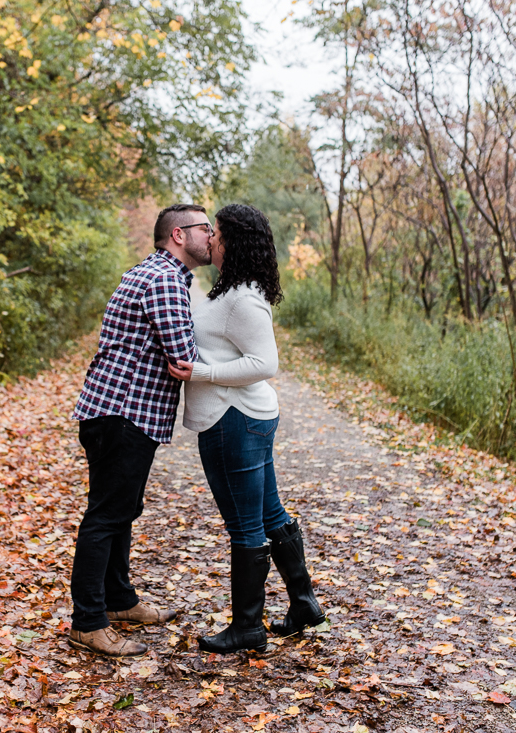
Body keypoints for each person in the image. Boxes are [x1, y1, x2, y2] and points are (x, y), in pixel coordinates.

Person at [168, 203, 326, 654]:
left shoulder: (243, 299)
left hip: (233, 420)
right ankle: (303, 605)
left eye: (216, 232)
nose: (211, 239)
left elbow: (265, 363)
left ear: (233, 241)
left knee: (244, 525)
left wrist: (199, 373)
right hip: (243, 418)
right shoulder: (229, 290)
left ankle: (247, 627)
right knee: (269, 514)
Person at [68, 203, 214, 657]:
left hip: (114, 411)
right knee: (106, 515)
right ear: (177, 234)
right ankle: (87, 621)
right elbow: (183, 357)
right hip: (124, 414)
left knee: (121, 510)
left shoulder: (154, 273)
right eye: (204, 229)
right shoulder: (165, 280)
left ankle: (119, 601)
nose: (211, 236)